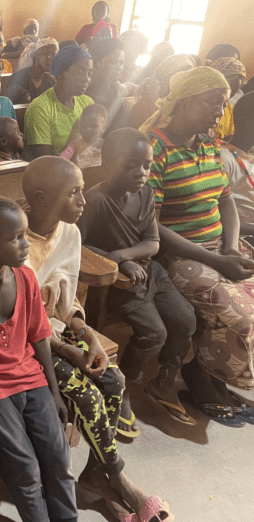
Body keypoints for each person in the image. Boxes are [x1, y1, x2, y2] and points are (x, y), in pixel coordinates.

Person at [23, 156, 173, 521]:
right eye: (73, 192)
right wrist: (66, 349)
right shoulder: (14, 239)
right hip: (28, 344)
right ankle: (118, 479)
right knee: (88, 394)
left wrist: (87, 335)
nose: (83, 200)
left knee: (115, 379)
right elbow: (21, 317)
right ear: (42, 198)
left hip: (59, 334)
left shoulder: (69, 233)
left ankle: (95, 472)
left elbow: (67, 300)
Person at [140, 66, 254, 426]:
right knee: (237, 314)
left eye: (222, 106)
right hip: (177, 253)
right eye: (212, 104)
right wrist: (214, 259)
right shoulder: (155, 149)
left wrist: (231, 248)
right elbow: (151, 224)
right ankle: (198, 377)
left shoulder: (208, 144)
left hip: (218, 245)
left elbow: (226, 201)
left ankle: (220, 378)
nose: (219, 114)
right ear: (186, 102)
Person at [0, 194, 78, 522]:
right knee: (25, 471)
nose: (26, 244)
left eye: (25, 234)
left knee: (58, 458)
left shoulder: (24, 277)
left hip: (32, 378)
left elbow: (39, 335)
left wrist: (53, 391)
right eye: (16, 238)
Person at [78, 128, 198, 425]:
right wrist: (118, 265)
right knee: (154, 333)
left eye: (146, 165)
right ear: (107, 164)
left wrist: (122, 256)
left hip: (150, 272)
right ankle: (126, 382)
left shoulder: (146, 194)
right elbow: (76, 244)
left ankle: (165, 377)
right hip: (121, 284)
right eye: (130, 164)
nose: (140, 172)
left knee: (186, 319)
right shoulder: (95, 200)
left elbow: (153, 242)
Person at [24, 44, 94, 159]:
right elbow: (46, 164)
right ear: (59, 73)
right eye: (79, 72)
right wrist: (75, 132)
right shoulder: (40, 109)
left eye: (89, 74)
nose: (86, 79)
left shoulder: (87, 103)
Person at [220, 92, 254, 238]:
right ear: (241, 122)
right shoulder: (224, 158)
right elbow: (217, 216)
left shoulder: (250, 157)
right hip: (241, 238)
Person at [86, 37, 131, 136]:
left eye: (121, 63)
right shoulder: (84, 93)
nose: (119, 67)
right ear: (97, 63)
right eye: (114, 62)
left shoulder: (114, 94)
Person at [8, 38, 58, 104]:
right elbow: (11, 106)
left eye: (54, 55)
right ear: (37, 54)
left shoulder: (50, 81)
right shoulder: (18, 78)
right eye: (49, 54)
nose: (52, 59)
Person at [59, 103, 107, 168]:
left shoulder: (104, 145)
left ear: (103, 128)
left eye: (93, 126)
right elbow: (65, 155)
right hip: (79, 176)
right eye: (84, 125)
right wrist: (61, 160)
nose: (87, 129)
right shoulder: (76, 144)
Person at [210, 57, 246, 140]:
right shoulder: (198, 104)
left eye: (235, 90)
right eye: (228, 87)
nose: (229, 95)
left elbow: (229, 138)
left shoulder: (230, 110)